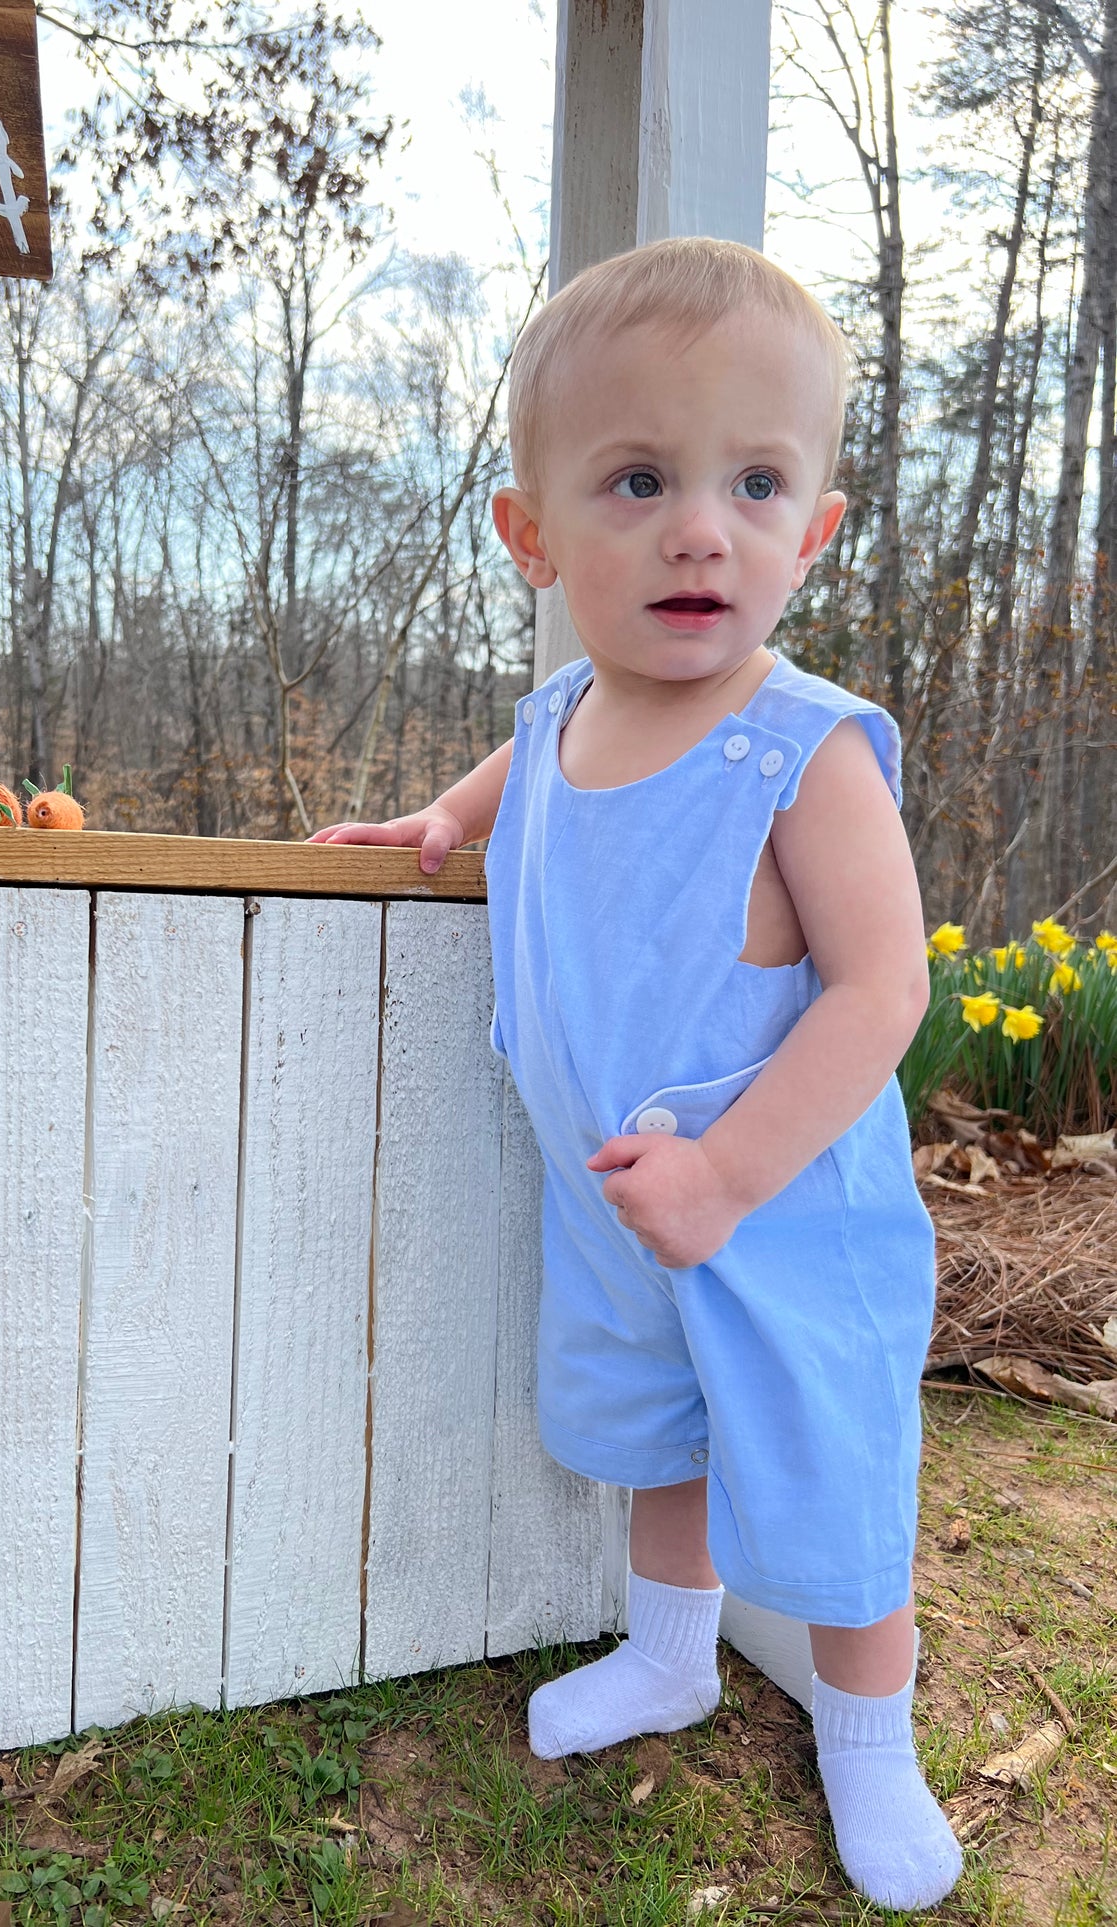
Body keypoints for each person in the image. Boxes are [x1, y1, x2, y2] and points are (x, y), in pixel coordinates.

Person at [310, 237, 962, 1911]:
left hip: (777, 1209)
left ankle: (867, 1738)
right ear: (533, 533)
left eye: (755, 482)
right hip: (614, 1193)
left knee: (827, 1474)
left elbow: (879, 988)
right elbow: (518, 763)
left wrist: (730, 1176)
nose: (699, 527)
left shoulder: (800, 749)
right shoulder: (557, 719)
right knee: (652, 1436)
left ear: (812, 530)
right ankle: (667, 1652)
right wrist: (443, 823)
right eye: (637, 479)